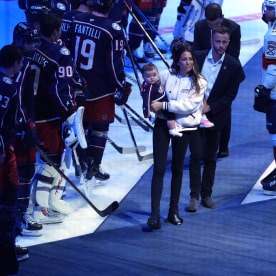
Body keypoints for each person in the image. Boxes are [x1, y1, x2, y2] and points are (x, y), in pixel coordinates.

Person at [67, 0, 131, 182]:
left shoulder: (76, 20)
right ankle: (93, 165)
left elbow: (68, 51)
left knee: (81, 126)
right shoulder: (114, 29)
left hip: (77, 84)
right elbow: (114, 64)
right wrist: (122, 86)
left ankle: (82, 163)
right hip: (101, 88)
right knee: (100, 128)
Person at [30, 13, 84, 224]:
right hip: (49, 115)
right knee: (51, 160)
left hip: (30, 113)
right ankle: (39, 210)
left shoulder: (29, 49)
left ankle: (50, 203)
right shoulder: (60, 53)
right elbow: (59, 89)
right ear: (55, 32)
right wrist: (69, 112)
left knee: (50, 159)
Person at [148, 42, 207, 229]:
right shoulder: (166, 76)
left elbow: (188, 106)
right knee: (158, 168)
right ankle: (154, 215)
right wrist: (153, 106)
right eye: (184, 58)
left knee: (178, 169)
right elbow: (153, 95)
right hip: (162, 125)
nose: (187, 62)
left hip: (185, 129)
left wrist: (164, 106)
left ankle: (173, 212)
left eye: (190, 59)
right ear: (177, 60)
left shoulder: (200, 82)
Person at [194, 26, 245, 209]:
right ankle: (194, 196)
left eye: (224, 42)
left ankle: (206, 195)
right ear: (210, 40)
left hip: (216, 118)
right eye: (217, 41)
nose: (220, 45)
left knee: (210, 158)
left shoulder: (233, 65)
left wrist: (210, 107)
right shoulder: (197, 58)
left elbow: (231, 95)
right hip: (193, 116)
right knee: (195, 156)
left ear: (229, 42)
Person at [193, 3, 241, 157]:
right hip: (205, 69)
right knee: (202, 106)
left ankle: (223, 146)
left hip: (226, 71)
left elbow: (233, 55)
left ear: (222, 17)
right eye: (210, 24)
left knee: (224, 107)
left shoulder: (233, 29)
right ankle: (202, 143)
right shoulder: (200, 27)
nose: (213, 27)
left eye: (217, 24)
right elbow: (196, 52)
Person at [12, 22, 43, 235]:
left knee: (27, 170)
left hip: (21, 126)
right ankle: (16, 216)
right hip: (14, 129)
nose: (33, 46)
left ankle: (21, 213)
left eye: (35, 41)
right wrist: (27, 125)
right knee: (18, 172)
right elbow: (19, 100)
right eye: (30, 42)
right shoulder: (18, 66)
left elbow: (29, 101)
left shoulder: (28, 63)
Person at [0, 44, 29, 273]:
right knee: (9, 197)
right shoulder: (8, 89)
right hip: (3, 152)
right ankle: (7, 250)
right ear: (17, 63)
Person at [257, 0, 276, 196]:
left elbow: (273, 66)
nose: (266, 11)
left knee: (275, 137)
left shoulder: (273, 35)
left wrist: (264, 88)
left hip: (275, 94)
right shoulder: (273, 27)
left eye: (270, 8)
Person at [141, 63, 182, 137]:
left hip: (163, 102)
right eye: (148, 76)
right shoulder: (148, 87)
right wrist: (147, 114)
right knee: (170, 116)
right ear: (143, 77)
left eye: (154, 75)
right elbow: (146, 101)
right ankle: (172, 130)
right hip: (160, 104)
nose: (152, 78)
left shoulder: (155, 83)